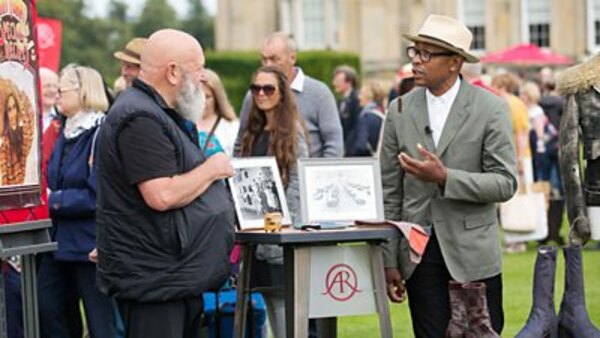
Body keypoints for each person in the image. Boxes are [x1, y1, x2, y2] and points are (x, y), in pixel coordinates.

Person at [380, 15, 517, 337]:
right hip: (417, 253)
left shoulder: (490, 108)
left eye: (427, 54)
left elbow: (505, 182)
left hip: (473, 254)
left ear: (455, 62)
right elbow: (388, 190)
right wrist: (387, 259)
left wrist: (445, 178)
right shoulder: (398, 110)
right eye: (415, 51)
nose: (416, 60)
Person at [96, 29, 235, 338]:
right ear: (172, 71)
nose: (203, 77)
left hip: (171, 276)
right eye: (198, 68)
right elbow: (161, 194)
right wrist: (212, 169)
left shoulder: (158, 113)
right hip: (156, 281)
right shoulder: (140, 117)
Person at [37, 65, 116, 338]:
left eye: (63, 89)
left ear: (83, 91)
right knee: (47, 311)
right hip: (57, 243)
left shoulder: (100, 133)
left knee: (99, 324)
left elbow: (97, 195)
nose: (56, 94)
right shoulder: (65, 131)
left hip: (88, 246)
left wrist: (53, 201)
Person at [238, 66, 308, 338]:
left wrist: (285, 232)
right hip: (254, 237)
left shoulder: (293, 131)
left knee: (283, 310)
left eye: (268, 89)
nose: (261, 94)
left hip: (281, 239)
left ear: (282, 93)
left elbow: (297, 188)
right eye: (256, 88)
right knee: (265, 304)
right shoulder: (252, 130)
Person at [235, 32, 343, 159]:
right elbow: (241, 142)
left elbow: (334, 145)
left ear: (292, 58)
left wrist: (321, 175)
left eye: (274, 59)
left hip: (306, 172)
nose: (268, 65)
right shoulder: (255, 95)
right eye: (264, 59)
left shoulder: (319, 93)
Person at [196, 68, 239, 157]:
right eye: (198, 95)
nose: (202, 101)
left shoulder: (231, 126)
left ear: (216, 98)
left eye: (207, 97)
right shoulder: (183, 124)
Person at [0, 93, 34, 186]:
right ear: (6, 114)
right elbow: (4, 179)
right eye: (9, 109)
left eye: (14, 107)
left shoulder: (26, 132)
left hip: (28, 184)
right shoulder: (4, 144)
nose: (12, 113)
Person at [346, 79, 386, 156]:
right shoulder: (382, 114)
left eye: (361, 94)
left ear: (369, 96)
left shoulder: (365, 118)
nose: (358, 97)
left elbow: (361, 146)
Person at [332, 65, 361, 155]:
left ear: (349, 82)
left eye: (338, 81)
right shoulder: (340, 101)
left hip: (352, 151)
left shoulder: (357, 100)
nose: (334, 83)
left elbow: (356, 127)